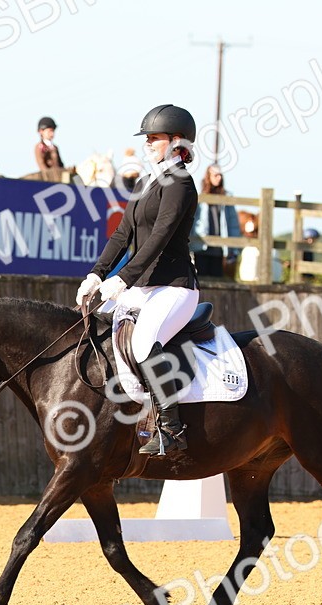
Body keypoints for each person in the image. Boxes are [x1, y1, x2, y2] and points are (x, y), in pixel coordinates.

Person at [75, 104, 200, 456]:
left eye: (154, 138)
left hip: (174, 287)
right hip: (143, 286)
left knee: (144, 343)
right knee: (101, 326)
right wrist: (96, 274)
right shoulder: (147, 182)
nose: (147, 144)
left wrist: (122, 279)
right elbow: (122, 234)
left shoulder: (180, 184)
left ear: (177, 142)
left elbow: (160, 236)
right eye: (146, 138)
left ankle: (172, 431)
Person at [191, 165, 241, 279]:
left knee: (217, 277)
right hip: (201, 245)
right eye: (215, 175)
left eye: (220, 175)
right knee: (201, 279)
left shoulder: (227, 197)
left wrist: (233, 246)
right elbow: (193, 220)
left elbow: (233, 222)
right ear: (208, 177)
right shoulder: (200, 196)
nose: (219, 178)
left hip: (219, 247)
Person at [34, 116, 65, 182]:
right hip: (48, 179)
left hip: (58, 177)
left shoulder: (55, 147)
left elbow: (60, 164)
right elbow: (42, 165)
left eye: (53, 131)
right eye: (49, 131)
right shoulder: (39, 147)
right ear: (41, 131)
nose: (52, 134)